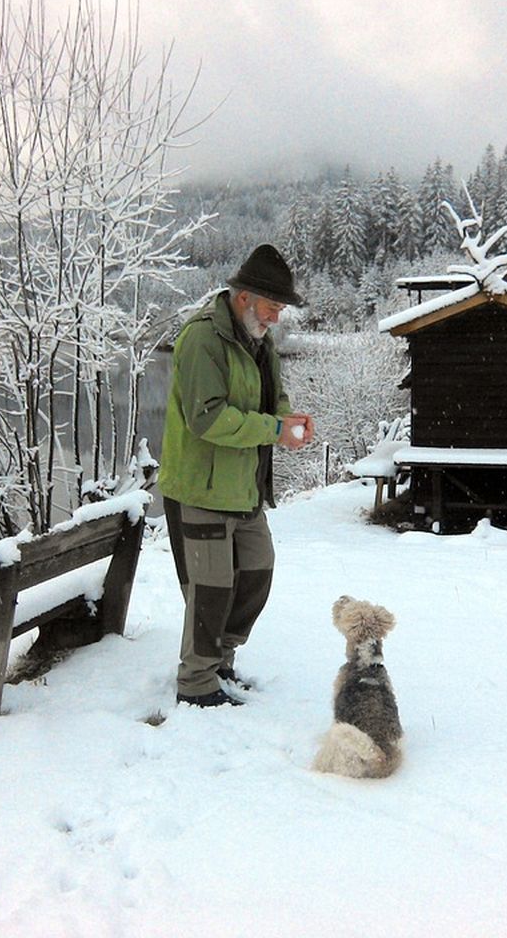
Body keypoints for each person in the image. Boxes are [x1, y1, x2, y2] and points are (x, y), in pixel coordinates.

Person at [159, 243, 315, 708]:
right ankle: (196, 684)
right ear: (244, 296)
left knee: (256, 573)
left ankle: (220, 660)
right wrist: (272, 430)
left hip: (244, 487)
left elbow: (276, 399)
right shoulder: (202, 339)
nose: (277, 318)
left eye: (281, 309)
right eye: (272, 307)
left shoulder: (261, 342)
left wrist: (287, 421)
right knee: (209, 591)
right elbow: (206, 418)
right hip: (200, 488)